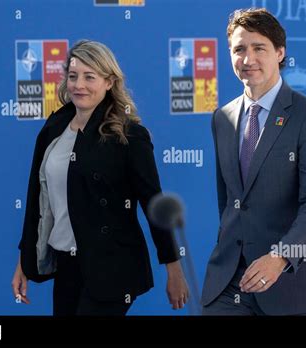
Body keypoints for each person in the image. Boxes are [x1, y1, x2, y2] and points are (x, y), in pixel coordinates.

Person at [11, 40, 189, 316]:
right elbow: (38, 201)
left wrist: (173, 267)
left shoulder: (128, 135)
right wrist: (24, 260)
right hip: (67, 264)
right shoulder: (54, 127)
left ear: (109, 82)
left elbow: (154, 204)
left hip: (113, 266)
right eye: (73, 76)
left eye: (89, 77)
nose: (78, 85)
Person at [201, 8, 306, 315]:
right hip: (230, 281)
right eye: (239, 49)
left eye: (259, 48)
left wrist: (280, 257)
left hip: (293, 283)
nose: (247, 58)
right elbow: (228, 200)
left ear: (280, 53)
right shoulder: (221, 118)